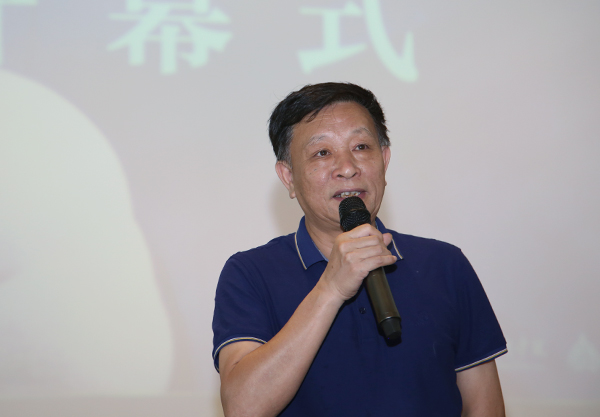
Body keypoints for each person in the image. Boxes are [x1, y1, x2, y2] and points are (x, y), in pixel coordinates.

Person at [212, 82, 507, 416]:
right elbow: (243, 408)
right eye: (322, 153)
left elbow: (485, 408)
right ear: (289, 177)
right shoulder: (249, 274)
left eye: (361, 146)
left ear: (384, 160)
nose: (347, 167)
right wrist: (331, 288)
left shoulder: (445, 265)